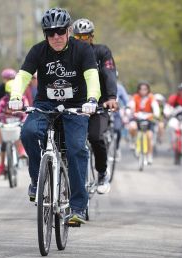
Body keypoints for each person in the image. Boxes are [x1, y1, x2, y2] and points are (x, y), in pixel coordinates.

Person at [8, 7, 101, 225]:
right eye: (51, 33)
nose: (56, 37)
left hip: (76, 106)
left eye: (60, 31)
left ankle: (78, 207)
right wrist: (15, 96)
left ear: (69, 30)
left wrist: (92, 100)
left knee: (77, 148)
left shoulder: (82, 50)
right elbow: (22, 76)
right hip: (45, 104)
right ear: (45, 35)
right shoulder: (38, 51)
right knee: (29, 132)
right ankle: (35, 180)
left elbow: (92, 78)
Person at [72, 18, 118, 194]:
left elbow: (109, 73)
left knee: (95, 137)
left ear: (92, 37)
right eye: (78, 37)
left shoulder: (102, 52)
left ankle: (101, 173)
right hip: (75, 104)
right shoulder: (68, 54)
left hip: (99, 103)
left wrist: (112, 96)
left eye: (85, 37)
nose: (81, 40)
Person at [0, 79, 28, 177]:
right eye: (10, 93)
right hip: (6, 124)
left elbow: (27, 111)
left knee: (20, 137)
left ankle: (22, 151)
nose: (13, 96)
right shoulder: (4, 100)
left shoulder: (23, 99)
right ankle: (2, 165)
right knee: (4, 145)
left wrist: (24, 119)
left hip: (18, 123)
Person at [128, 82, 160, 164]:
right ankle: (133, 141)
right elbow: (131, 105)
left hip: (148, 118)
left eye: (145, 89)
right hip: (137, 117)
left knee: (149, 136)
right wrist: (129, 111)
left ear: (148, 90)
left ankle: (149, 155)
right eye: (141, 89)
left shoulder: (151, 97)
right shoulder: (135, 97)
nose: (143, 91)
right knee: (132, 127)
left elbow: (155, 106)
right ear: (138, 90)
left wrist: (156, 113)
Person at [0, 68, 17, 155]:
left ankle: (22, 150)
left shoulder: (19, 87)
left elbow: (24, 101)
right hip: (4, 113)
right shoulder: (0, 89)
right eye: (8, 79)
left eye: (12, 79)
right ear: (3, 79)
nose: (10, 81)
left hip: (16, 114)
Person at [164, 82, 182, 155]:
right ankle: (172, 143)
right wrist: (167, 113)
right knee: (170, 126)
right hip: (176, 118)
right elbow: (168, 107)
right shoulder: (173, 97)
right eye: (181, 90)